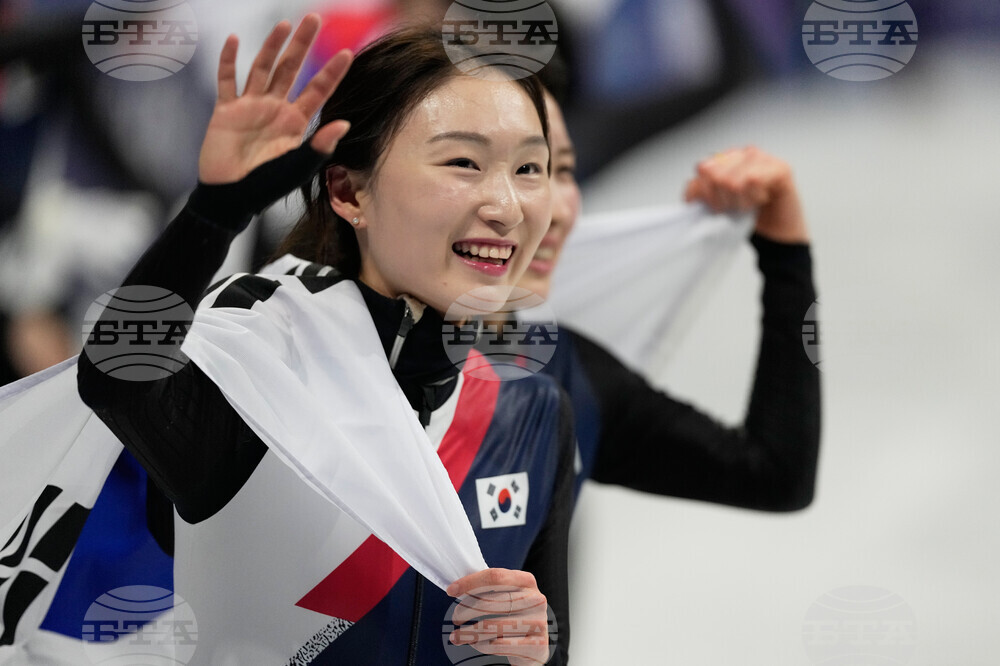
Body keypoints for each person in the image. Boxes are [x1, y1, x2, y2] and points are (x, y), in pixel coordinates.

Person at [76, 17, 573, 666]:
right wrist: (214, 213)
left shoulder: (532, 411)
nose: (507, 205)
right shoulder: (257, 380)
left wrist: (532, 651)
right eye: (463, 162)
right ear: (348, 190)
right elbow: (116, 377)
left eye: (530, 168)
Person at [526, 86, 821, 508]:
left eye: (566, 170)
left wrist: (787, 258)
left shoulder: (563, 376)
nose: (555, 210)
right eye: (525, 169)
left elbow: (775, 474)